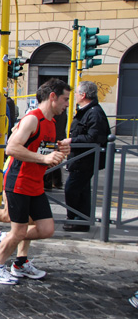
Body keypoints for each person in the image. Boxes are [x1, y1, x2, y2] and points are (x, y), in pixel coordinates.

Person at [0, 79, 71, 285]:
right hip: (19, 181)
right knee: (20, 230)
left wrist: (60, 152)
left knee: (46, 228)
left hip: (36, 183)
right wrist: (44, 158)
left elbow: (41, 151)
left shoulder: (51, 123)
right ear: (52, 97)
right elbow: (12, 148)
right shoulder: (33, 119)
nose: (67, 104)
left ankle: (17, 259)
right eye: (65, 99)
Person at [64, 81, 111, 232]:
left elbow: (93, 138)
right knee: (82, 190)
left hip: (85, 159)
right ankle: (81, 221)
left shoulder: (94, 112)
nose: (75, 95)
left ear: (83, 95)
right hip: (80, 158)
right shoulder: (87, 110)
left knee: (72, 189)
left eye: (77, 93)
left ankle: (76, 219)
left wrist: (72, 140)